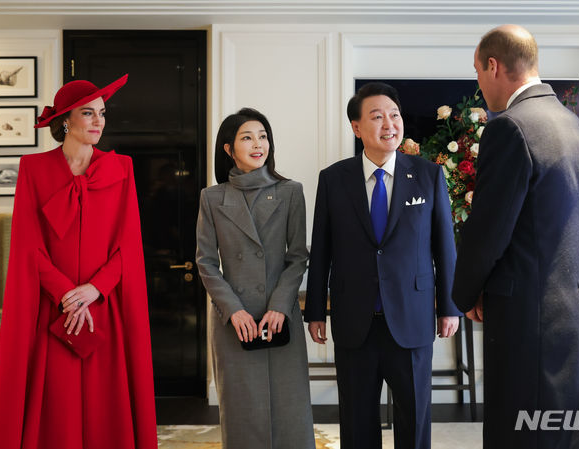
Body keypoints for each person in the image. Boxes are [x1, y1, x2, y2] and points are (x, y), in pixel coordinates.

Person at [0, 75, 158, 449]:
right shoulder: (33, 169)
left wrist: (92, 291)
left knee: (105, 406)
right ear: (65, 122)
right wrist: (66, 295)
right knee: (55, 406)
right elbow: (28, 247)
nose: (98, 122)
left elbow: (129, 246)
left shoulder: (121, 168)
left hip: (102, 308)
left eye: (102, 113)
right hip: (52, 309)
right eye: (87, 113)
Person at [452, 25, 579, 448]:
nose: (480, 85)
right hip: (572, 307)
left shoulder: (511, 128)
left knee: (522, 432)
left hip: (526, 317)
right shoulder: (571, 124)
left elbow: (489, 230)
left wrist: (463, 294)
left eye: (478, 73)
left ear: (494, 66)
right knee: (566, 431)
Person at [305, 82, 461, 449]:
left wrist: (449, 306)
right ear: (357, 128)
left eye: (394, 115)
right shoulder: (333, 179)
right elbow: (322, 249)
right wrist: (315, 311)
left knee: (415, 416)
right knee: (357, 421)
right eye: (377, 117)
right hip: (354, 319)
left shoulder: (428, 175)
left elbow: (444, 246)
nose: (389, 124)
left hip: (412, 315)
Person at [196, 107, 315, 449]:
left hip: (280, 316)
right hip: (234, 320)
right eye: (247, 137)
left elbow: (297, 257)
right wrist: (233, 310)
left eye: (263, 136)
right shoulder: (212, 197)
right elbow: (206, 262)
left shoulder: (291, 191)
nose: (258, 143)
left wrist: (280, 306)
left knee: (289, 412)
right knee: (242, 413)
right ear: (229, 149)